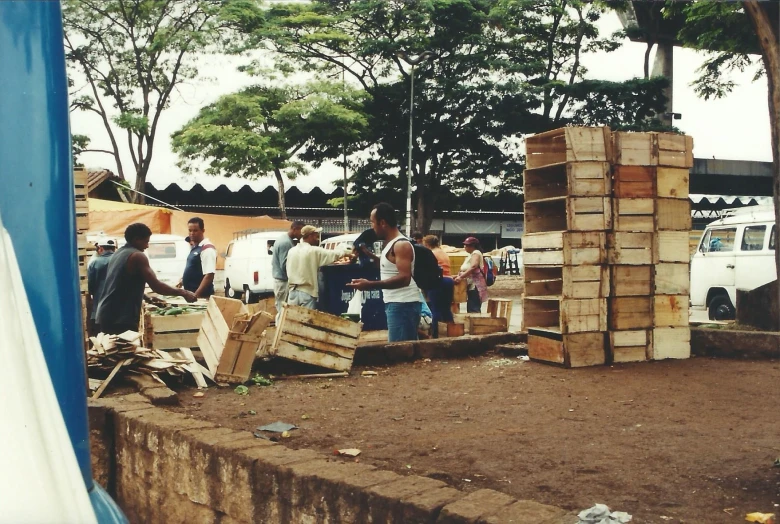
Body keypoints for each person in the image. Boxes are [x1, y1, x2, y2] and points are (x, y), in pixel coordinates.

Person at [96, 223, 196, 334]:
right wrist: (183, 293)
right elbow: (157, 286)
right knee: (124, 349)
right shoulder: (137, 256)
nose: (147, 246)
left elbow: (121, 284)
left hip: (108, 314)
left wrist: (148, 298)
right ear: (136, 239)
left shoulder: (118, 253)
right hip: (120, 318)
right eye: (146, 242)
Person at [347, 203, 421, 342]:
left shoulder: (401, 244)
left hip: (403, 305)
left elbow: (405, 278)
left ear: (383, 223)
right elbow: (386, 266)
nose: (371, 227)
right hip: (396, 304)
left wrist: (370, 285)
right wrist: (367, 254)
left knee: (399, 353)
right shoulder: (390, 243)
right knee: (401, 352)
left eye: (372, 222)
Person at [286, 225, 352, 309]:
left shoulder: (291, 251)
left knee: (292, 320)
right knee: (307, 320)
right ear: (310, 236)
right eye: (316, 236)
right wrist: (348, 253)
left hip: (292, 293)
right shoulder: (313, 251)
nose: (317, 239)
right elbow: (332, 254)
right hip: (307, 292)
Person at [272, 221, 305, 322]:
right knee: (283, 310)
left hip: (281, 281)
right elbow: (286, 265)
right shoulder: (286, 243)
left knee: (282, 309)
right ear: (295, 229)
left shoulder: (285, 240)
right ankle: (279, 334)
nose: (302, 234)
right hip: (283, 282)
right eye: (301, 231)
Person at [423, 234, 454, 337]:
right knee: (446, 309)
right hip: (449, 280)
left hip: (437, 280)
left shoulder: (430, 253)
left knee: (435, 308)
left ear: (427, 244)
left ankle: (435, 335)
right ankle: (451, 331)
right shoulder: (444, 253)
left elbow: (427, 269)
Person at [182, 217, 217, 299]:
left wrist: (196, 295)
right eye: (190, 230)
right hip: (192, 295)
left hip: (202, 296)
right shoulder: (196, 247)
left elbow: (209, 275)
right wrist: (182, 280)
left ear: (203, 231)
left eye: (195, 230)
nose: (192, 233)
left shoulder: (207, 249)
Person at [87, 238, 115, 336]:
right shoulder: (121, 260)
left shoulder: (95, 263)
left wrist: (91, 294)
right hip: (119, 305)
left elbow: (90, 283)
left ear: (101, 248)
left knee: (102, 331)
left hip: (100, 300)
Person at [453, 236, 488, 313]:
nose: (465, 247)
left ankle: (475, 324)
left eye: (467, 245)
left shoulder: (476, 253)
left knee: (474, 307)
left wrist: (461, 277)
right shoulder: (470, 255)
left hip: (476, 285)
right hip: (470, 284)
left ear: (473, 246)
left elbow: (473, 266)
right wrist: (458, 275)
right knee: (471, 306)